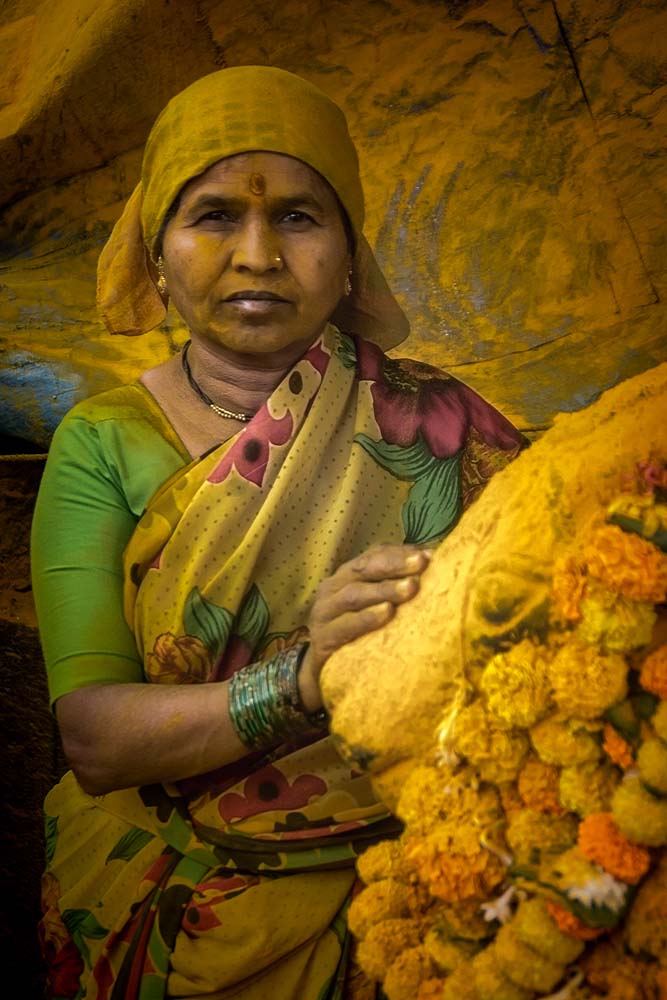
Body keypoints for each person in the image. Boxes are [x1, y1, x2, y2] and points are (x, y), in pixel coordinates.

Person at [31, 65, 526, 1000]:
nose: (257, 254)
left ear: (348, 257)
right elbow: (95, 740)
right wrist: (304, 678)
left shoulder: (443, 425)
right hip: (186, 885)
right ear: (155, 254)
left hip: (430, 863)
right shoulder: (103, 445)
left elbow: (548, 615)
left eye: (299, 217)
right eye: (214, 214)